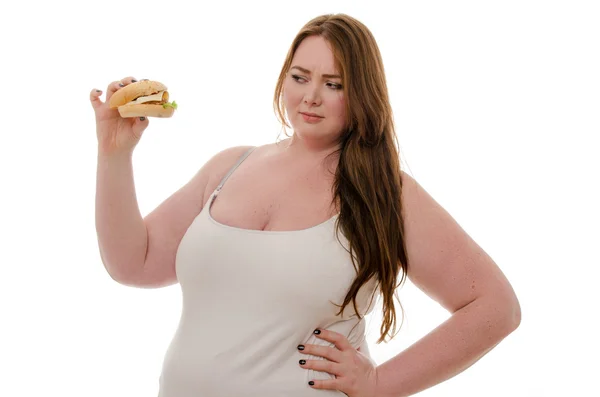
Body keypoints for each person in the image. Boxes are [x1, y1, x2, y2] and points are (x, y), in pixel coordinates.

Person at [91, 13, 521, 397]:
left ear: (362, 95)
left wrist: (380, 384)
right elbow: (134, 264)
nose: (311, 96)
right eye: (300, 77)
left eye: (333, 85)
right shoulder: (229, 167)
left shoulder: (384, 192)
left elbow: (495, 307)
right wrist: (114, 154)